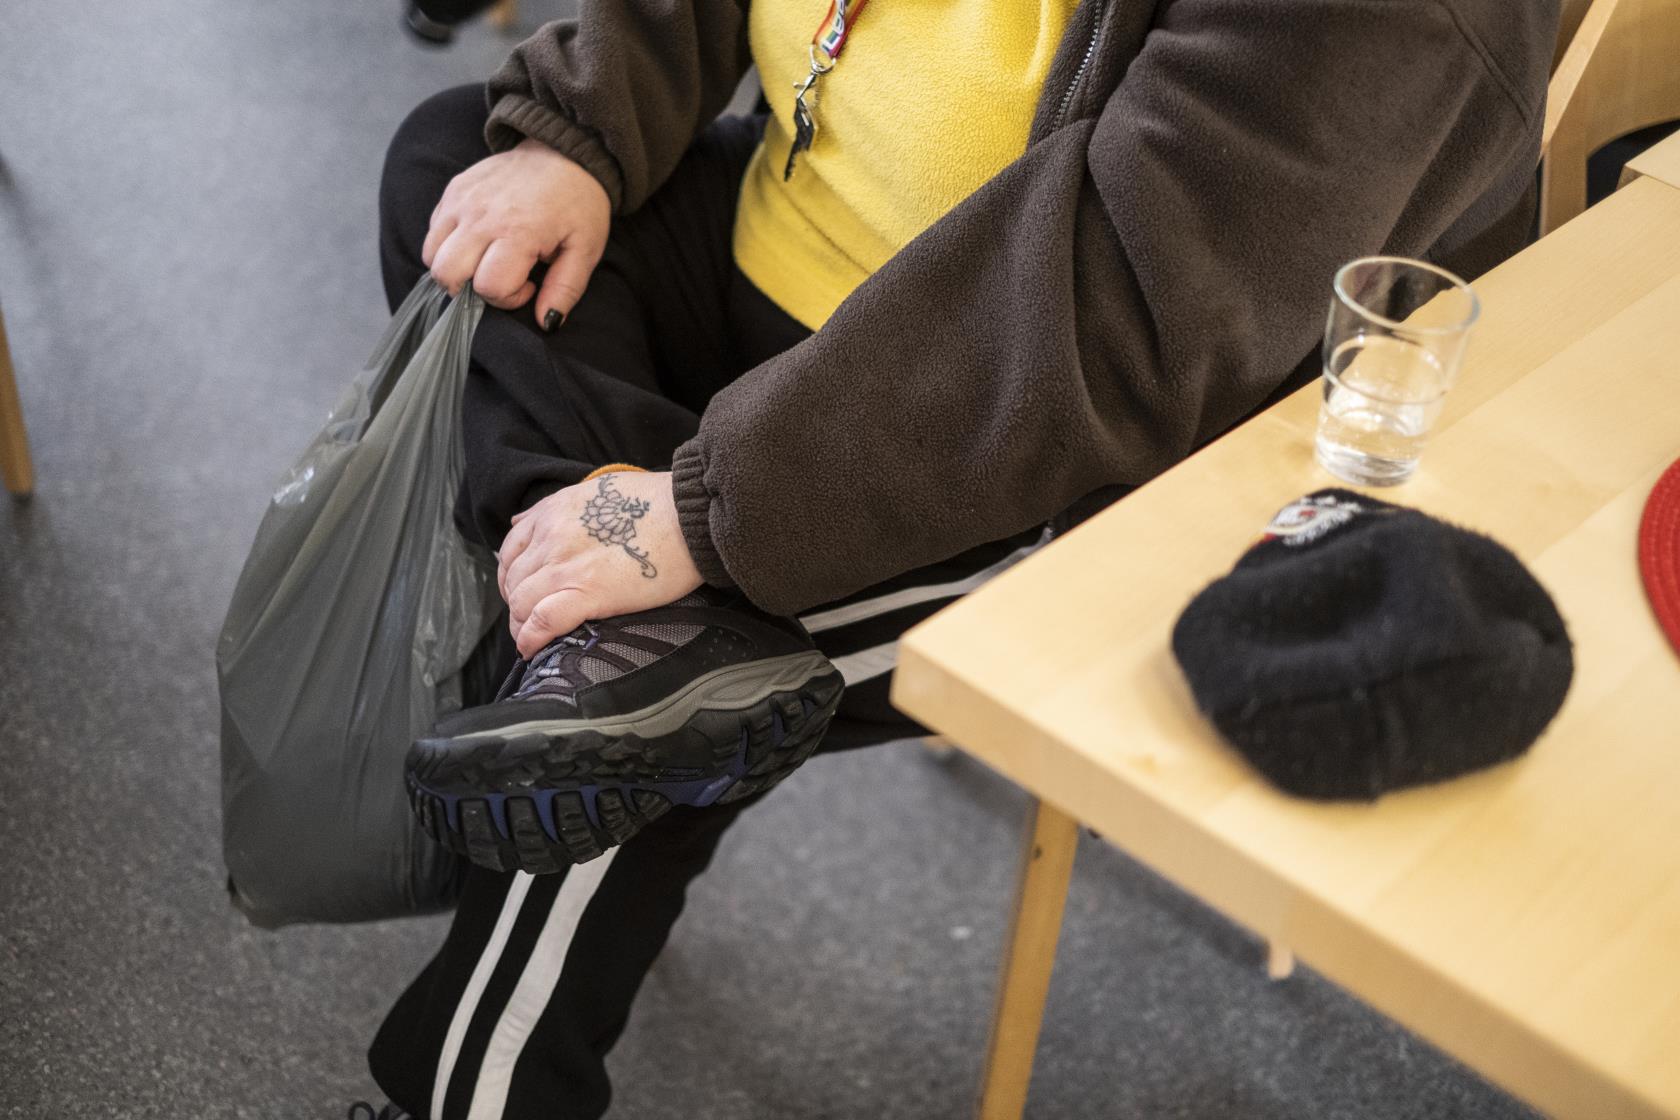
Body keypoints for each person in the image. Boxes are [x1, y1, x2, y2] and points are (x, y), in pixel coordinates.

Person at [359, 0, 1559, 1115]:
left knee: (626, 718)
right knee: (463, 169)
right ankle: (621, 611)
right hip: (790, 259)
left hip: (1071, 443)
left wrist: (706, 517)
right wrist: (579, 131)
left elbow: (1127, 314)